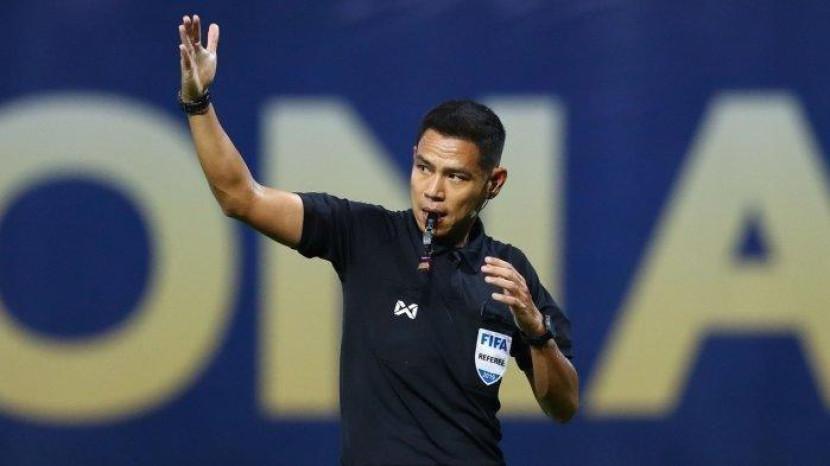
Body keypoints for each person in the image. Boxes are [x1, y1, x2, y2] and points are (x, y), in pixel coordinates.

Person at [177, 14, 578, 466]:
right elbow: (241, 197)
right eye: (424, 168)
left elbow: (562, 406)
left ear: (494, 182)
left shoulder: (508, 274)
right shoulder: (362, 234)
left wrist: (537, 333)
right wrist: (198, 103)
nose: (433, 190)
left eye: (456, 176)